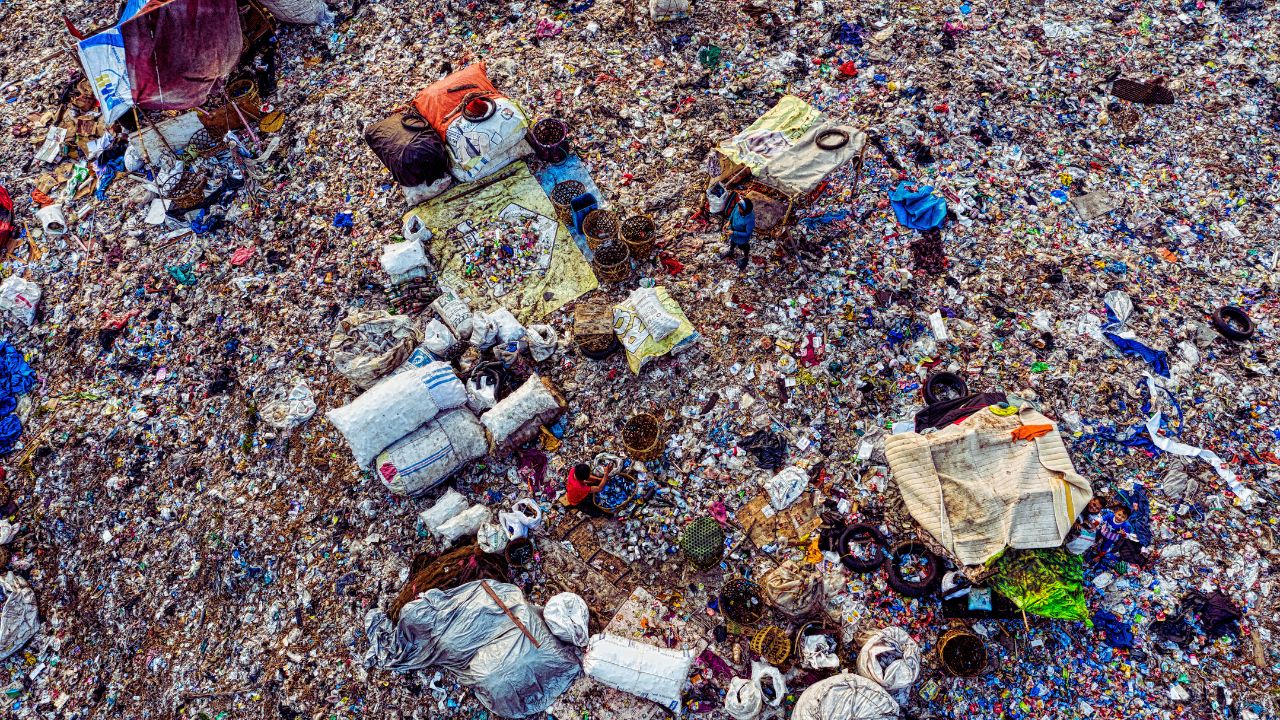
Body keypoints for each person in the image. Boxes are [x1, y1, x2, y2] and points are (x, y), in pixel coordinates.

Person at [721, 196, 755, 270]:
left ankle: (746, 257)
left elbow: (747, 233)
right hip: (733, 230)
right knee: (732, 241)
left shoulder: (750, 219)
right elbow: (733, 212)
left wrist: (734, 232)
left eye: (740, 209)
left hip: (741, 236)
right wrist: (729, 222)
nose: (738, 209)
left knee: (743, 246)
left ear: (745, 210)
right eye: (739, 207)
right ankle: (731, 251)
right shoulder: (739, 205)